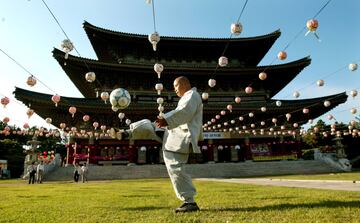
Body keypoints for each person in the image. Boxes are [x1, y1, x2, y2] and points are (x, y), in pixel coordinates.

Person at [155, 76, 203, 213]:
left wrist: (166, 119)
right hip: (174, 135)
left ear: (184, 84)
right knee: (150, 125)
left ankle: (189, 201)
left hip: (181, 137)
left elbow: (185, 112)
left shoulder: (192, 95)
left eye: (176, 86)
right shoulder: (188, 97)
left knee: (175, 166)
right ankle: (128, 132)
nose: (175, 89)